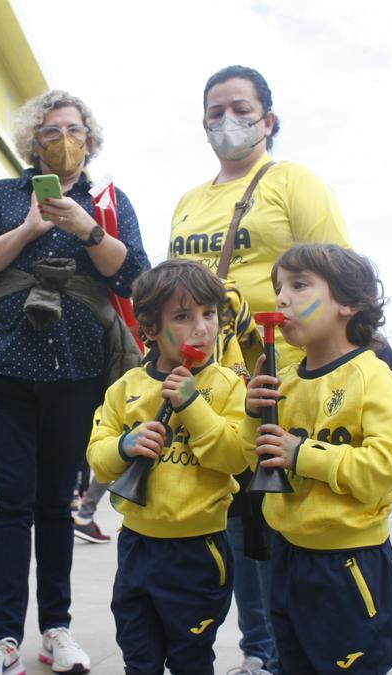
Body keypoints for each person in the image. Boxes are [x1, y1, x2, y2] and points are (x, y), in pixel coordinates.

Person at [0, 89, 149, 675]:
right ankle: (4, 635)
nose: (65, 140)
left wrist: (88, 229)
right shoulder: (5, 195)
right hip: (3, 360)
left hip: (79, 365)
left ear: (91, 138)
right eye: (51, 131)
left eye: (75, 129)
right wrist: (28, 231)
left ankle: (57, 629)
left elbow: (135, 273)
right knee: (13, 500)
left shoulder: (107, 201)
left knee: (58, 503)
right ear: (32, 141)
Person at [171, 65, 352, 675]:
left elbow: (338, 275)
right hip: (214, 384)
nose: (228, 120)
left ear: (268, 119)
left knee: (279, 514)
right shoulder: (189, 204)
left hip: (286, 375)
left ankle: (283, 649)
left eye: (242, 108)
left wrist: (333, 367)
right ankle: (259, 650)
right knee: (235, 517)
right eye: (215, 111)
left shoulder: (293, 182)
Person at [242, 243, 392, 673]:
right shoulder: (284, 381)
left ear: (350, 304)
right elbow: (254, 459)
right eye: (278, 287)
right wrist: (251, 416)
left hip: (348, 561)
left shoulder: (372, 378)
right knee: (293, 662)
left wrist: (303, 454)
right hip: (288, 555)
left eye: (299, 285)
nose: (281, 298)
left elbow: (387, 465)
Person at [88, 259, 248, 674]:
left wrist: (193, 405)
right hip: (138, 545)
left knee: (190, 657)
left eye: (209, 314)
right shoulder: (126, 389)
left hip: (199, 550)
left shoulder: (227, 384)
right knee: (138, 654)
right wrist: (125, 446)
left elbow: (235, 456)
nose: (202, 328)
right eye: (183, 316)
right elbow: (98, 458)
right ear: (149, 328)